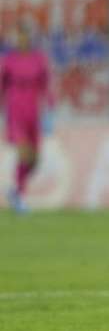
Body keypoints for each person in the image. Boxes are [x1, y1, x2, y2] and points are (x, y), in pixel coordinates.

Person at [1, 23, 53, 213]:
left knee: (35, 159)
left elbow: (46, 85)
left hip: (34, 112)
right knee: (24, 153)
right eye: (20, 37)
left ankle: (15, 191)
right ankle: (21, 196)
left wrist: (50, 109)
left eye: (26, 36)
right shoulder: (9, 60)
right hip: (15, 112)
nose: (23, 40)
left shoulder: (39, 59)